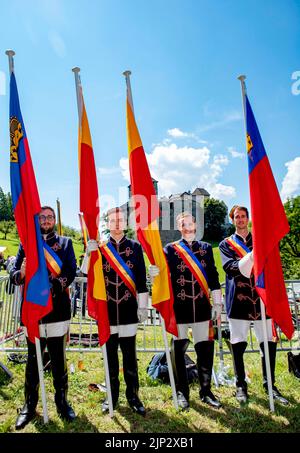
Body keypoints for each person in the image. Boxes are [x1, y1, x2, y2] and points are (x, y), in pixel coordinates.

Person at [10, 206, 77, 430]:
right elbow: (14, 275)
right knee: (32, 361)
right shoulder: (26, 243)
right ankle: (29, 406)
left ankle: (62, 402)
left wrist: (54, 286)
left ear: (55, 220)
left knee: (58, 359)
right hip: (33, 312)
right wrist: (22, 272)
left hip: (58, 308)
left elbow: (71, 270)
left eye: (50, 217)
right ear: (37, 220)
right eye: (42, 217)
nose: (46, 220)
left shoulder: (66, 243)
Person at [149, 212, 222, 410]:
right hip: (179, 308)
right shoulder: (170, 249)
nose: (187, 227)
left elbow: (214, 277)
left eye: (190, 223)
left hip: (201, 307)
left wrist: (217, 304)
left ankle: (206, 391)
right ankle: (182, 392)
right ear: (179, 227)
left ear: (196, 225)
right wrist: (153, 273)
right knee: (178, 351)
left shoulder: (206, 248)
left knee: (205, 350)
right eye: (183, 224)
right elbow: (162, 274)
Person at [218, 205, 289, 405]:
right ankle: (241, 385)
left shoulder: (262, 240)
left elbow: (274, 265)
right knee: (238, 344)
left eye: (243, 216)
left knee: (268, 343)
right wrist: (252, 255)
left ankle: (270, 385)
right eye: (236, 217)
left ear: (249, 218)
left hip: (262, 300)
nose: (240, 219)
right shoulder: (225, 244)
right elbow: (231, 268)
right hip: (238, 300)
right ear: (232, 220)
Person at [87, 207, 148, 416]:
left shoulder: (135, 247)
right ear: (108, 223)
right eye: (113, 220)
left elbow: (141, 279)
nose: (117, 223)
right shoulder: (100, 248)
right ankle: (111, 397)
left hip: (129, 308)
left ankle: (133, 396)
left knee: (130, 357)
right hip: (108, 311)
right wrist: (89, 252)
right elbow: (86, 273)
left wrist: (143, 306)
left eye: (121, 220)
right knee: (110, 357)